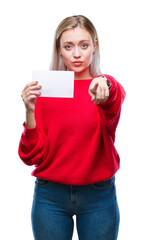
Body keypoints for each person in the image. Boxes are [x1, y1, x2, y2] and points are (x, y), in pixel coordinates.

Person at [18, 15, 126, 240]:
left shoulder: (100, 89)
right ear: (59, 49)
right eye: (69, 46)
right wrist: (30, 111)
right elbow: (30, 156)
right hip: (50, 196)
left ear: (94, 46)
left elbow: (115, 95)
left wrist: (105, 81)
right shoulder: (47, 89)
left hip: (98, 196)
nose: (77, 54)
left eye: (84, 45)